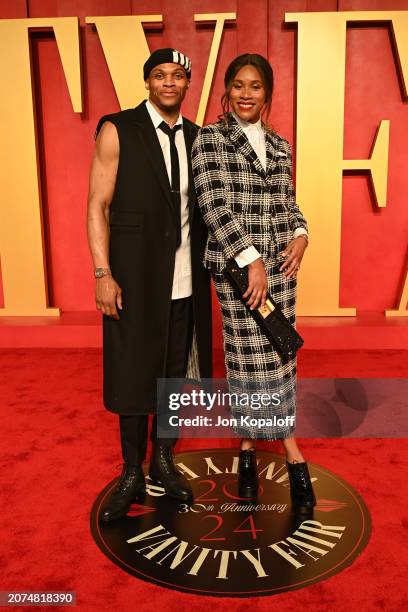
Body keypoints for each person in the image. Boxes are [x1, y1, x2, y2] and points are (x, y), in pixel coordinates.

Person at [87, 48, 212, 522]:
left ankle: (163, 460)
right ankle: (131, 472)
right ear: (147, 82)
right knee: (133, 373)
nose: (168, 83)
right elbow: (97, 203)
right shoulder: (118, 129)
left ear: (186, 85)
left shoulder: (199, 138)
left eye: (178, 76)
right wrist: (103, 273)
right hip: (133, 280)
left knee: (172, 378)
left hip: (185, 281)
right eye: (160, 75)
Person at [191, 53, 316, 513]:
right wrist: (250, 260)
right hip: (236, 268)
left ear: (268, 93)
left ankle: (246, 451)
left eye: (256, 86)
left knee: (281, 356)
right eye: (239, 85)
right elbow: (213, 203)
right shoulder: (210, 139)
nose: (247, 94)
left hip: (282, 267)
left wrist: (301, 234)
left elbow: (288, 201)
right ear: (227, 90)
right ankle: (292, 454)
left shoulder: (280, 144)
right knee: (248, 360)